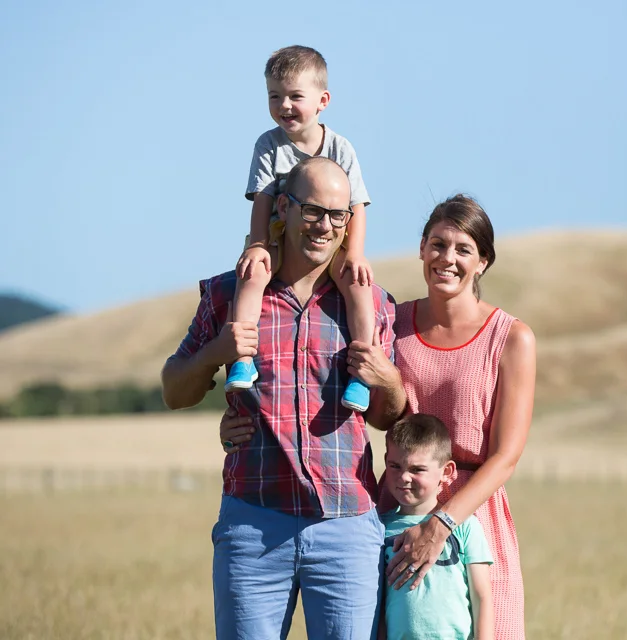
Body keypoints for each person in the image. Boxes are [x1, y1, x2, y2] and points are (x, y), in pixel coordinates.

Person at [222, 194, 537, 639]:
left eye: (463, 249)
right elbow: (325, 390)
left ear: (483, 262)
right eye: (437, 244)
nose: (447, 259)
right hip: (395, 514)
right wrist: (237, 421)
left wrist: (441, 524)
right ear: (422, 248)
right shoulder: (392, 319)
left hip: (473, 522)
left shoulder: (512, 338)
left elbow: (506, 456)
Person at [163, 157, 407, 640]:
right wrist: (218, 350)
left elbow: (388, 417)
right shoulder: (228, 294)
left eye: (338, 215)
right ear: (283, 208)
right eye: (313, 210)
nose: (325, 225)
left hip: (347, 527)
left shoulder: (371, 302)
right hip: (254, 525)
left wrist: (392, 381)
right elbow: (174, 390)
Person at [228, 45, 377, 414]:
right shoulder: (268, 144)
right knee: (253, 273)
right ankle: (243, 357)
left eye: (296, 96)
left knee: (358, 285)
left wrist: (355, 253)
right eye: (274, 96)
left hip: (332, 236)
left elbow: (357, 205)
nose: (285, 106)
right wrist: (259, 244)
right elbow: (262, 198)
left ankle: (362, 371)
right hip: (280, 233)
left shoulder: (341, 148)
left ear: (322, 100)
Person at [379, 413, 494, 640]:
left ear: (447, 472)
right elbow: (377, 603)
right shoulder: (379, 528)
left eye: (417, 469)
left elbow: (482, 597)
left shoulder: (466, 526)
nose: (403, 477)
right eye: (395, 465)